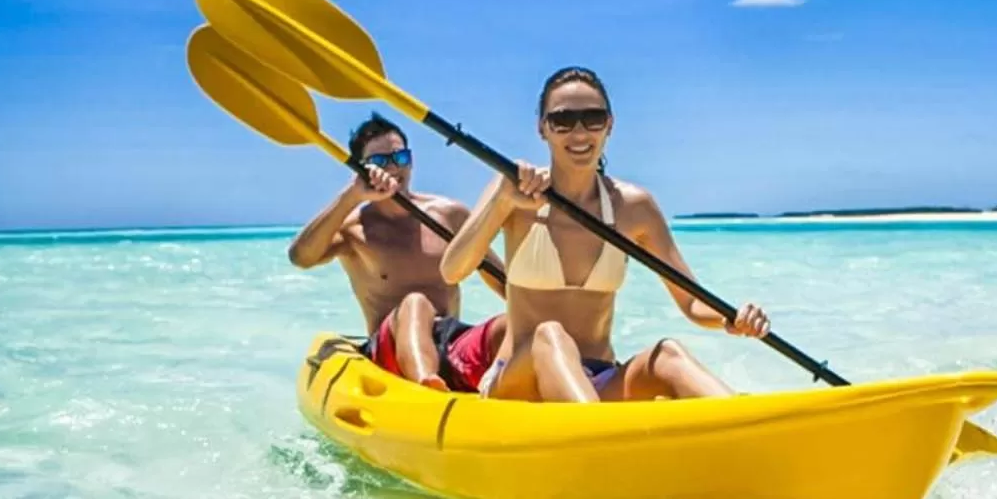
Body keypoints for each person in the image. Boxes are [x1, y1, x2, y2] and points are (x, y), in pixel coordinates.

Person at [437, 67, 769, 401]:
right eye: (563, 120)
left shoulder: (634, 206)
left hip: (598, 377)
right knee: (550, 336)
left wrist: (732, 319)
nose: (579, 132)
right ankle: (600, 435)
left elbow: (692, 301)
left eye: (592, 118)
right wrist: (501, 201)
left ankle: (754, 430)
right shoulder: (514, 193)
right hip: (518, 383)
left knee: (668, 355)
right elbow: (453, 270)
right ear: (543, 129)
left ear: (609, 125)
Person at [288, 113, 506, 391]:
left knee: (507, 326)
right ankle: (425, 386)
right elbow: (300, 257)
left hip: (450, 343)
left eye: (400, 157)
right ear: (362, 169)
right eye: (379, 161)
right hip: (388, 352)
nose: (393, 167)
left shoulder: (449, 215)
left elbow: (499, 279)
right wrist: (353, 194)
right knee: (415, 303)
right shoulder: (354, 229)